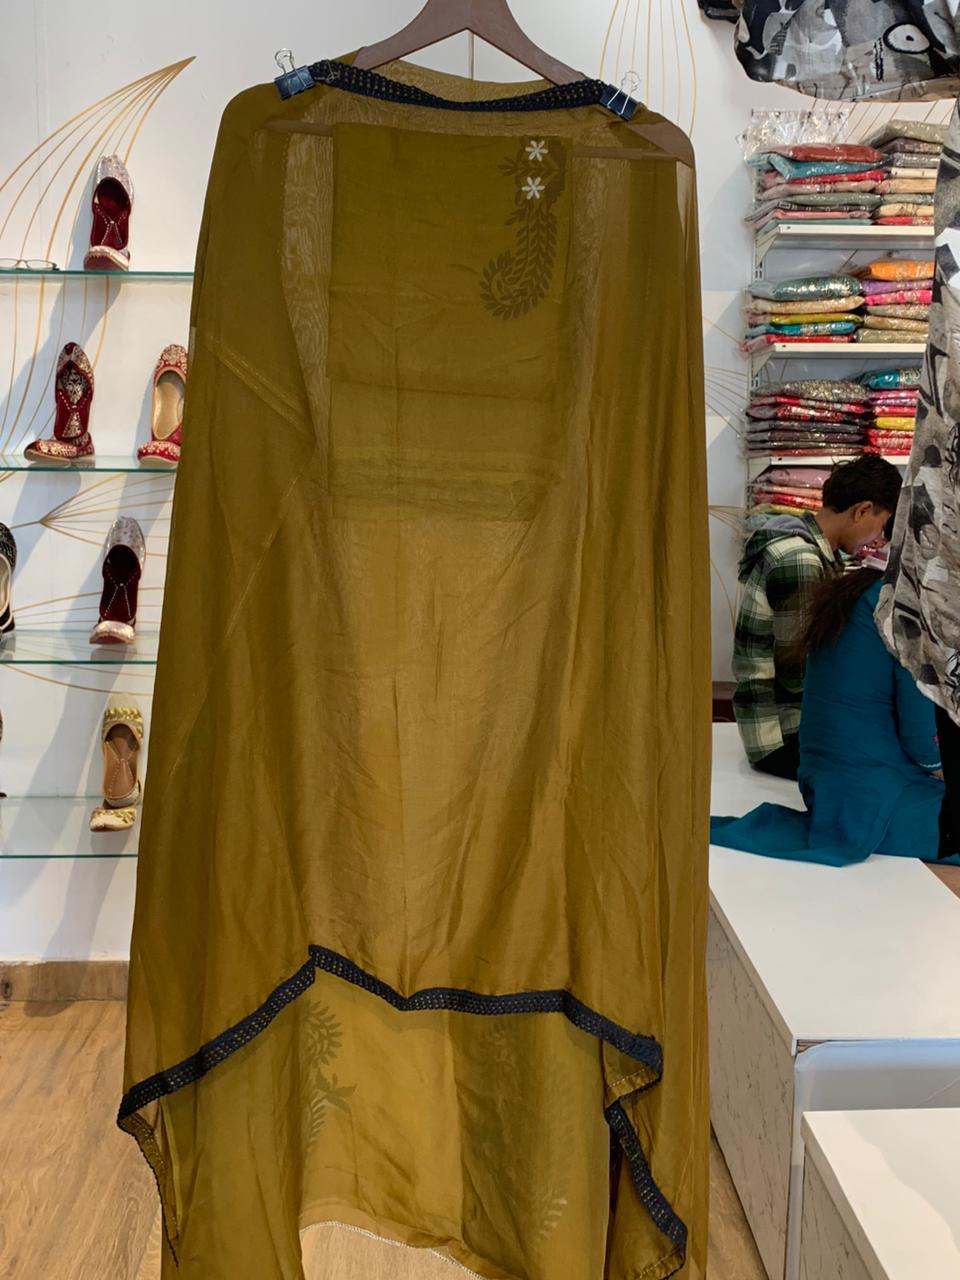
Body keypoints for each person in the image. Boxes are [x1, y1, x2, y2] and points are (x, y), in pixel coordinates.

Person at [715, 563, 959, 866]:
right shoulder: (912, 607)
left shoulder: (873, 590)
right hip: (876, 800)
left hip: (830, 788)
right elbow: (924, 742)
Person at [733, 455, 902, 780]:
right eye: (882, 525)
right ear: (862, 510)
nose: (879, 538)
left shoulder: (811, 550)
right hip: (783, 735)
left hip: (790, 721)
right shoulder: (801, 560)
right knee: (894, 766)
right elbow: (796, 671)